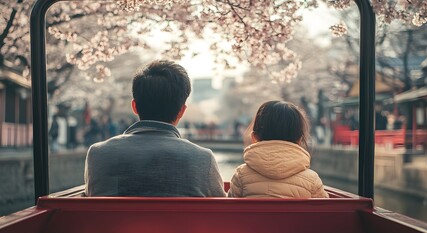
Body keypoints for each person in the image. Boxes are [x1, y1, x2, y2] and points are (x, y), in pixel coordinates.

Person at [84, 60, 226, 197]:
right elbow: (221, 211)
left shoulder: (98, 154)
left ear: (134, 106)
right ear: (181, 111)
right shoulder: (203, 159)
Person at [228, 101, 329, 198]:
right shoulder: (312, 180)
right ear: (299, 140)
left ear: (254, 137)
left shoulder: (241, 175)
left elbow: (230, 208)